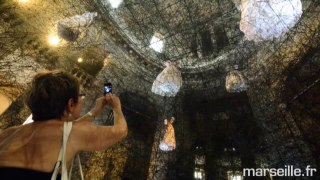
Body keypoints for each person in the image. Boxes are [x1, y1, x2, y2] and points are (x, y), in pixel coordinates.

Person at [0, 70, 127, 179]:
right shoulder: (73, 133)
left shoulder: (9, 132)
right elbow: (121, 130)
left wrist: (95, 111)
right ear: (71, 104)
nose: (82, 99)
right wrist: (117, 107)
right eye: (81, 96)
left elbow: (68, 128)